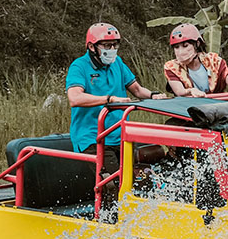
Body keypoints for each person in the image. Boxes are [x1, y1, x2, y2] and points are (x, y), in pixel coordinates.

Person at [66, 23, 166, 192]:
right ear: (92, 46)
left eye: (115, 45)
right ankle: (111, 218)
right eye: (107, 45)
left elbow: (137, 90)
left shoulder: (117, 63)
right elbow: (75, 98)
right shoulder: (79, 66)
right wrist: (109, 99)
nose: (112, 49)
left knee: (143, 179)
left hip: (120, 135)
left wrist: (153, 95)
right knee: (114, 183)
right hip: (93, 138)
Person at [163, 23, 228, 99]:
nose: (181, 51)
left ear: (196, 44)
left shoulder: (214, 61)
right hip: (189, 110)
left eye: (185, 46)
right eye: (177, 47)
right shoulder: (172, 67)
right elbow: (179, 91)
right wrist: (190, 91)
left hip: (216, 105)